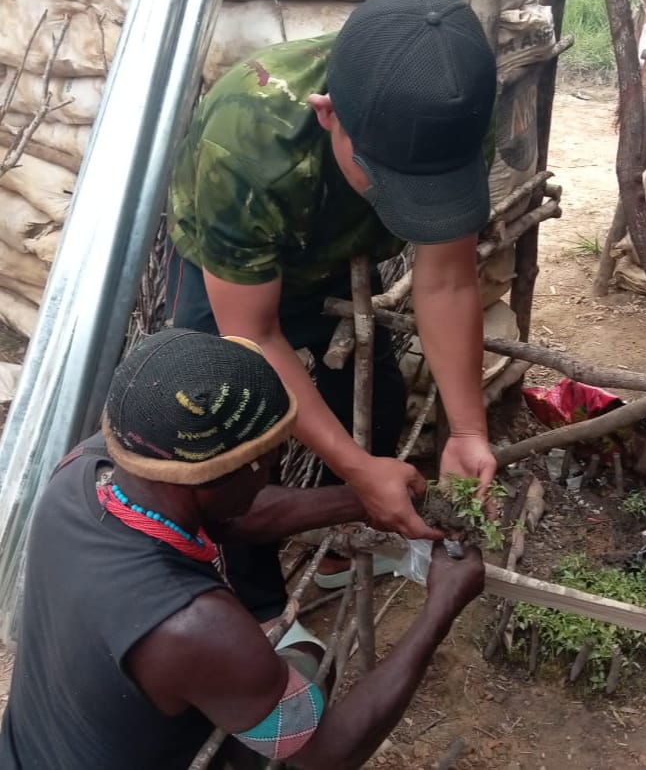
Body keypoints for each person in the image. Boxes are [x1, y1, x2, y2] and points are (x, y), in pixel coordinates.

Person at [0, 329, 485, 770]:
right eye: (270, 460)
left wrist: (363, 499)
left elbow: (231, 511)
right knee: (308, 664)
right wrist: (440, 607)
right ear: (218, 476)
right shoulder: (193, 625)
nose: (275, 467)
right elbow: (329, 751)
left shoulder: (96, 468)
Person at [166, 0, 498, 604]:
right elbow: (253, 334)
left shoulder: (455, 107)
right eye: (388, 180)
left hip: (336, 252)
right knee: (231, 438)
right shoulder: (248, 140)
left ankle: (343, 551)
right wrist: (356, 472)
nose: (407, 202)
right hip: (233, 267)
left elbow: (448, 279)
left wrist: (467, 430)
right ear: (327, 114)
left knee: (377, 397)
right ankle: (261, 611)